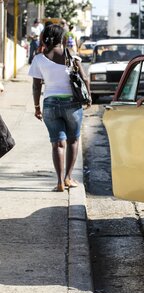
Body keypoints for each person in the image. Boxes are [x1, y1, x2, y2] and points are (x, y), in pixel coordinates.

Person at [28, 24, 91, 192]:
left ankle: (59, 182)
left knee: (57, 144)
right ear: (61, 38)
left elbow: (36, 86)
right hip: (72, 104)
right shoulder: (71, 56)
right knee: (73, 140)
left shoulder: (39, 59)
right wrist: (89, 98)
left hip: (50, 104)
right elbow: (85, 79)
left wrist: (36, 107)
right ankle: (68, 177)